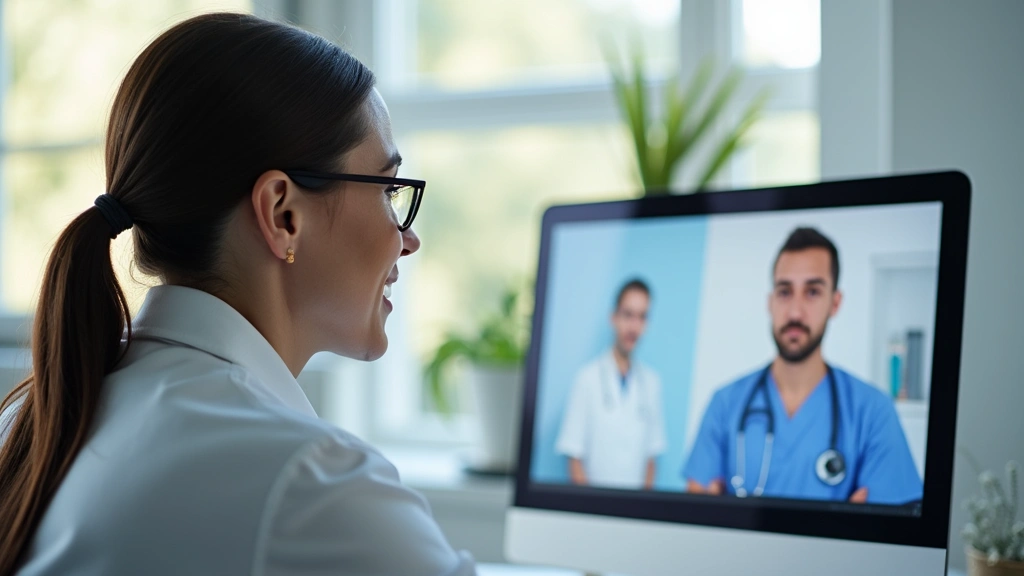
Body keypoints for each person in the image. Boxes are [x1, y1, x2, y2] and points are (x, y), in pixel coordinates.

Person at [0, 14, 475, 575]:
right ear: (283, 214)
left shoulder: (36, 421)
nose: (407, 239)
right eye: (389, 190)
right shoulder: (312, 486)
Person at [683, 227, 922, 505]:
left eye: (812, 292)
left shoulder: (873, 412)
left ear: (835, 303)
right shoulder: (725, 404)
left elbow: (891, 524)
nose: (795, 312)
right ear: (770, 302)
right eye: (785, 292)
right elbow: (697, 509)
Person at [556, 279, 667, 490]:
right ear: (613, 317)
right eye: (628, 315)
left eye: (642, 317)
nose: (634, 327)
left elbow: (651, 458)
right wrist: (592, 506)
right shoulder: (586, 378)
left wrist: (642, 505)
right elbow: (574, 457)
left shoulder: (652, 383)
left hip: (636, 507)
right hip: (593, 505)